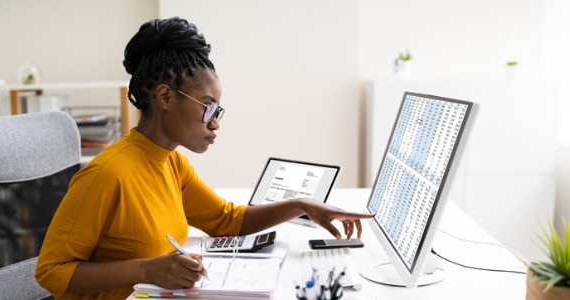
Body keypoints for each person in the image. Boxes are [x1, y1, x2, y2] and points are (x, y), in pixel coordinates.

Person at [35, 17, 374, 299]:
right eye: (208, 106)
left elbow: (227, 221)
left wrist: (303, 204)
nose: (215, 122)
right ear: (165, 96)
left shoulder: (172, 163)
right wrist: (147, 269)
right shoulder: (106, 175)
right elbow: (51, 273)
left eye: (218, 110)